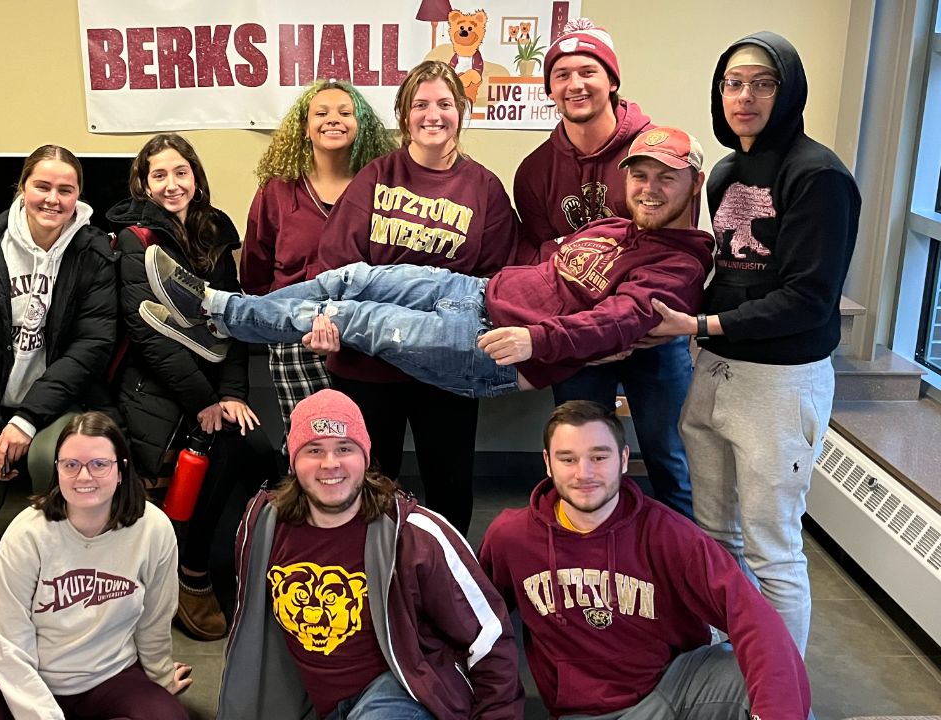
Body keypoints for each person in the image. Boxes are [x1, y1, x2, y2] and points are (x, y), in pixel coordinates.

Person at [141, 127, 713, 400]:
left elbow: (618, 321)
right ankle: (217, 312)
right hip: (473, 292)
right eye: (641, 175)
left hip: (490, 342)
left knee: (350, 315)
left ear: (695, 184)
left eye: (667, 177)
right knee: (349, 278)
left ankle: (214, 317)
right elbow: (553, 264)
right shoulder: (618, 225)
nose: (650, 188)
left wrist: (537, 341)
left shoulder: (678, 267)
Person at [648, 32, 860, 656]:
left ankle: (781, 693)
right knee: (713, 536)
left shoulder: (819, 176)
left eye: (762, 83)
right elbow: (722, 273)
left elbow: (808, 299)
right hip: (712, 372)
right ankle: (722, 669)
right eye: (733, 83)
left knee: (773, 548)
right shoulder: (725, 172)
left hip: (779, 382)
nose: (745, 96)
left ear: (787, 90)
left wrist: (702, 326)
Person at [479, 401, 811, 719]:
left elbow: (753, 618)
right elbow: (477, 627)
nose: (584, 473)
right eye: (568, 459)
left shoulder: (670, 534)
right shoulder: (511, 538)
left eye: (599, 456)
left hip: (673, 689)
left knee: (769, 679)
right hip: (582, 711)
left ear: (623, 459)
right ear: (548, 463)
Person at [217, 389, 522, 720]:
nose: (330, 464)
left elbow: (488, 639)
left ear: (365, 456)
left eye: (344, 448)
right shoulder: (262, 526)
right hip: (308, 701)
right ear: (292, 460)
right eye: (314, 450)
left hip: (399, 692)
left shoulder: (417, 535)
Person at [304, 60, 516, 534]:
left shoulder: (483, 188)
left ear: (462, 111)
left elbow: (498, 278)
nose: (432, 114)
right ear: (404, 116)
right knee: (369, 481)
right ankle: (373, 580)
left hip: (446, 363)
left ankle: (448, 580)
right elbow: (338, 262)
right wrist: (332, 322)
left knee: (450, 483)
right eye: (420, 104)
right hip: (369, 361)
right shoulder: (377, 178)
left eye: (444, 103)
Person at [511, 18, 696, 519]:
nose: (575, 84)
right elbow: (535, 256)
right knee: (581, 460)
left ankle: (690, 575)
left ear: (612, 79)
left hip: (651, 337)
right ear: (549, 87)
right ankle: (592, 564)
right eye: (562, 74)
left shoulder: (657, 152)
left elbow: (677, 251)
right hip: (579, 342)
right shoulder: (534, 170)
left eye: (588, 71)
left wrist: (649, 321)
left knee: (672, 459)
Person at [0, 145, 118, 650]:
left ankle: (53, 584)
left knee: (53, 467)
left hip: (59, 407)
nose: (53, 198)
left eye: (66, 189)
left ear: (78, 196)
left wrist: (25, 424)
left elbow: (91, 347)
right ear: (22, 187)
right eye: (42, 186)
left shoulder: (94, 253)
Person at [107, 133, 274, 641]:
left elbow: (231, 326)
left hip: (209, 386)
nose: (172, 184)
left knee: (260, 452)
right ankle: (191, 574)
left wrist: (233, 396)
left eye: (181, 172)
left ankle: (250, 566)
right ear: (144, 182)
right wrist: (204, 402)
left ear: (196, 179)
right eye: (159, 174)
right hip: (150, 388)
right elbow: (146, 333)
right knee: (222, 444)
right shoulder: (134, 238)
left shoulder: (215, 235)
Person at [0, 412, 191, 720]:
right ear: (57, 470)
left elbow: (155, 618)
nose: (84, 476)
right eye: (71, 465)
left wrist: (160, 677)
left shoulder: (153, 528)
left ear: (121, 470)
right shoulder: (26, 534)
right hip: (28, 679)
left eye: (99, 464)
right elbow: (9, 648)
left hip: (112, 677)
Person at [240, 79, 395, 449]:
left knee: (360, 444)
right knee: (309, 440)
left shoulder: (381, 189)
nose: (333, 120)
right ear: (304, 127)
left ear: (362, 126)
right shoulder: (277, 190)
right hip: (296, 334)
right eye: (321, 113)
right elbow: (255, 270)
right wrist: (286, 317)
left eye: (345, 112)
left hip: (361, 335)